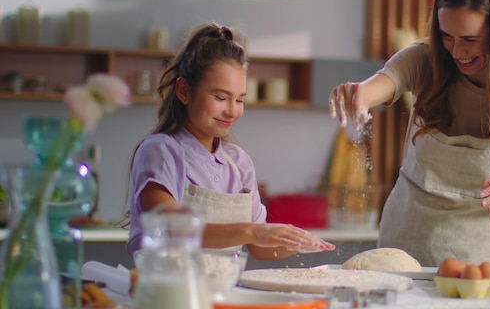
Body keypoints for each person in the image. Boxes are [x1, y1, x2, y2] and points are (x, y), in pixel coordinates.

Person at [329, 0, 490, 267]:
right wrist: (360, 94)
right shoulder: (427, 59)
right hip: (403, 247)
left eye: (470, 39)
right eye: (446, 36)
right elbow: (386, 81)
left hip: (477, 258)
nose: (457, 51)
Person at [127, 22, 335, 259]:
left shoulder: (239, 162)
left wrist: (296, 241)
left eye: (239, 100)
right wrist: (252, 231)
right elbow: (169, 228)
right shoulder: (161, 151)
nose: (232, 111)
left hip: (224, 293)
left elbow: (260, 248)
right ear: (184, 91)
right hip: (165, 292)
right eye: (220, 97)